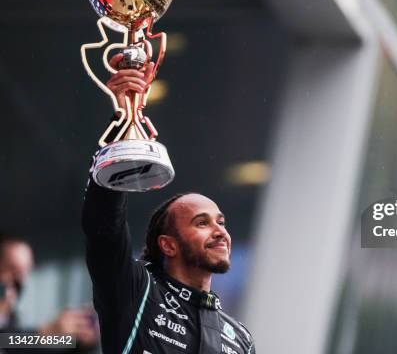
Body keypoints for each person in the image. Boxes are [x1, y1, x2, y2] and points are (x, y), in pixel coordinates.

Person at [81, 54, 255, 354]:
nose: (219, 231)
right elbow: (104, 226)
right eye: (202, 222)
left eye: (221, 222)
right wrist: (126, 121)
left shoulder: (240, 339)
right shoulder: (135, 291)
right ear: (168, 245)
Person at [0, 235, 99, 351]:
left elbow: (17, 346)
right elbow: (7, 341)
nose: (19, 282)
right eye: (13, 270)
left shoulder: (10, 319)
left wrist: (76, 342)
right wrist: (47, 333)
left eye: (24, 272)